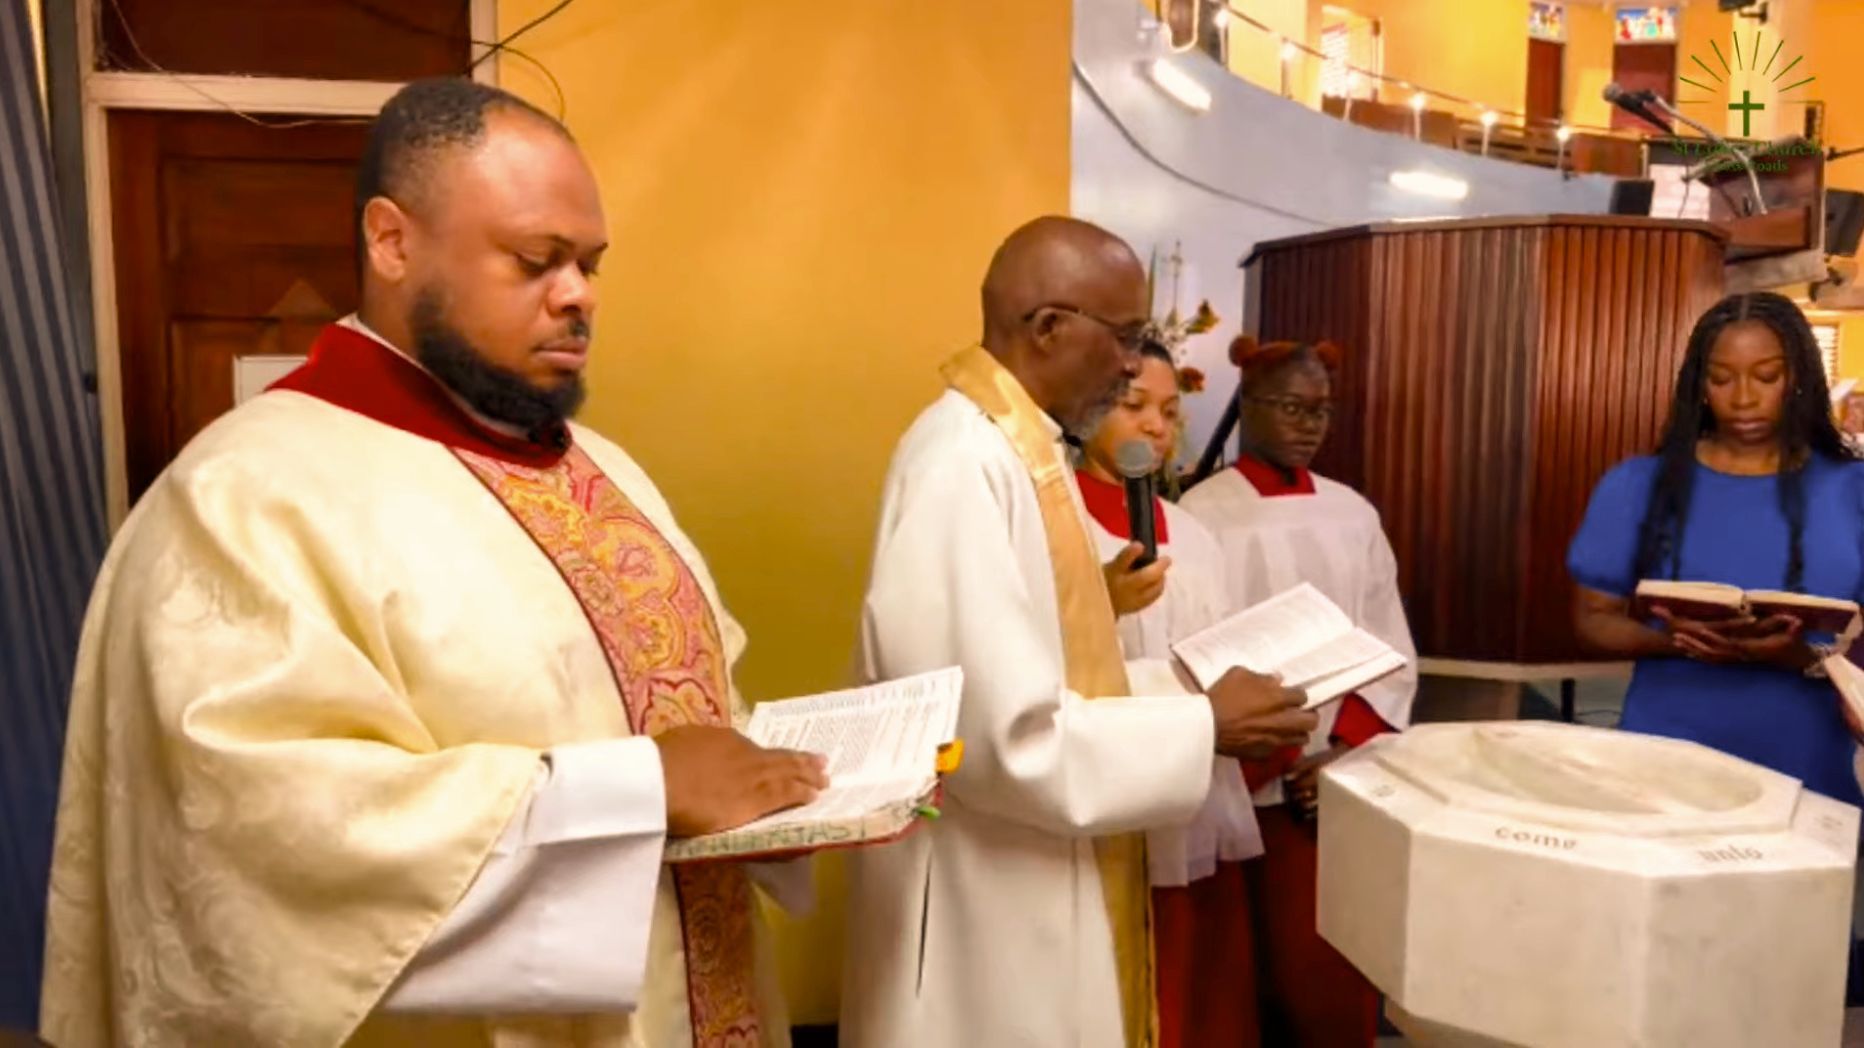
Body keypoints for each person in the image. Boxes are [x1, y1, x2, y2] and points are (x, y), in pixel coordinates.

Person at [40, 79, 830, 1048]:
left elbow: (684, 708)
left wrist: (781, 784)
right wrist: (641, 787)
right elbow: (262, 838)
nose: (578, 294)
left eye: (589, 263)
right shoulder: (243, 498)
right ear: (392, 241)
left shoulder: (604, 470)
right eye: (537, 259)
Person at [840, 216, 1318, 1048]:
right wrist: (1203, 724)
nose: (1134, 362)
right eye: (1126, 338)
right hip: (985, 896)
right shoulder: (964, 461)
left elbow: (1038, 678)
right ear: (1049, 328)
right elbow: (999, 739)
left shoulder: (1020, 450)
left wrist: (1185, 691)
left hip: (1018, 872)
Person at [1179, 335, 1417, 1048]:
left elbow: (1388, 643)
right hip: (1243, 775)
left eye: (1323, 410)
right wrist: (1277, 751)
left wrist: (1344, 751)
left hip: (1331, 786)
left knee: (1328, 982)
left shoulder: (1353, 513)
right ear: (1248, 407)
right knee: (1239, 982)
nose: (1311, 424)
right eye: (1292, 407)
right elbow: (1194, 651)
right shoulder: (1201, 515)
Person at [1567, 291, 1864, 809]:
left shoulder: (1852, 489)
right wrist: (1677, 641)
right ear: (1697, 385)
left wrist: (1804, 658)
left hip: (1807, 753)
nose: (1743, 398)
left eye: (1766, 377)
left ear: (1798, 378)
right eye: (1721, 379)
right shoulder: (1638, 485)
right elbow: (1593, 617)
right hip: (1666, 750)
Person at [1075, 339, 1265, 1048]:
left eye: (1170, 411)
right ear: (1087, 407)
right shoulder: (1059, 519)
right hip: (1112, 784)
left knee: (1199, 980)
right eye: (1134, 407)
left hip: (1196, 783)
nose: (1156, 426)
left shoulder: (1191, 531)